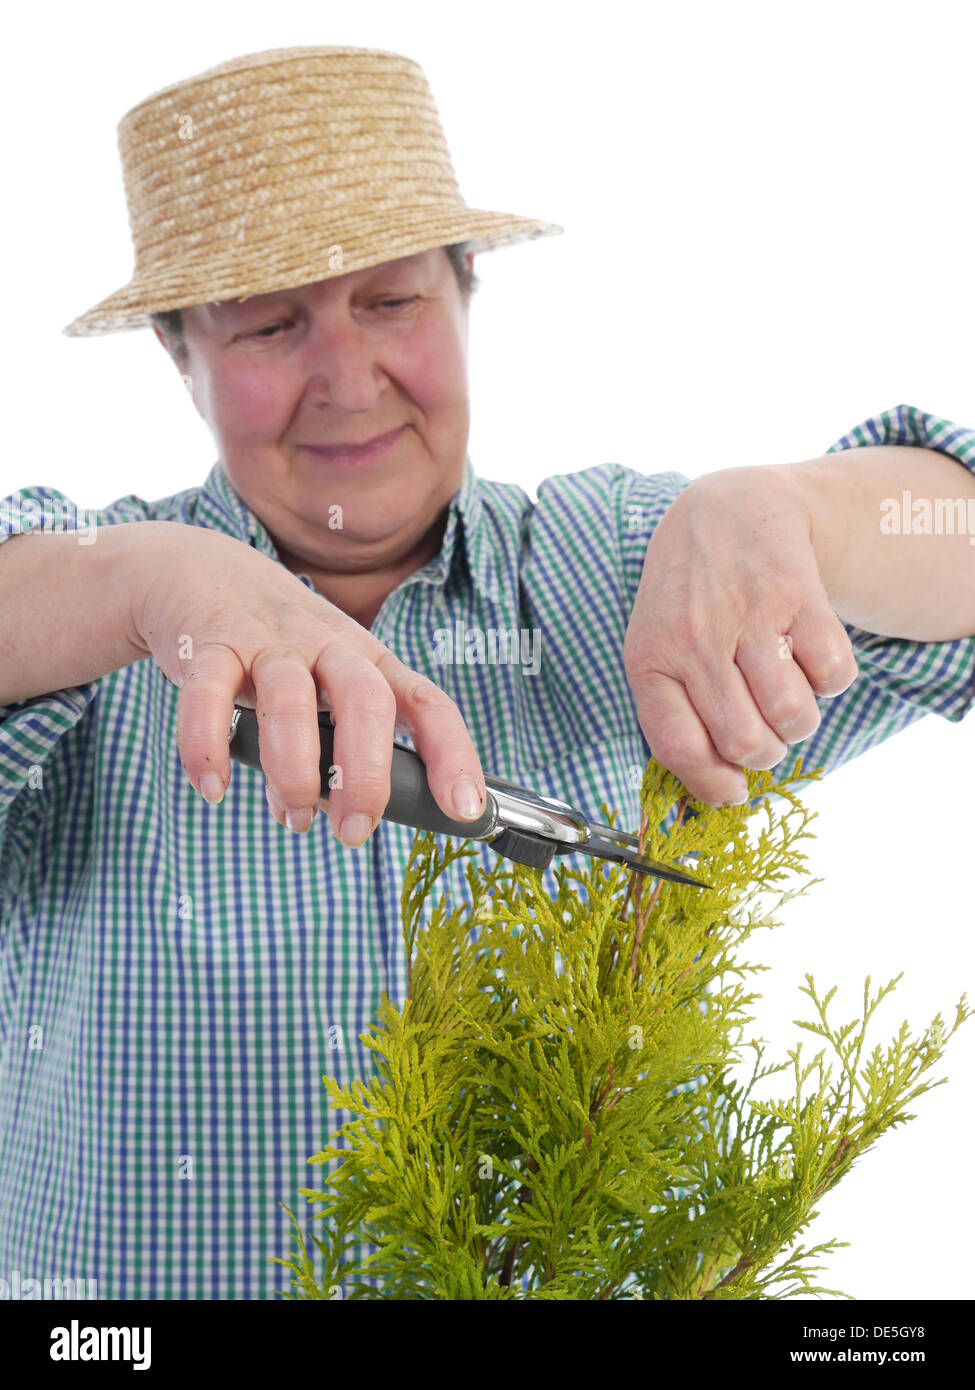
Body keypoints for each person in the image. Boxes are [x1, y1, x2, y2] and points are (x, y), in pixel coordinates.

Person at [0, 45, 972, 1302]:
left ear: (467, 292)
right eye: (268, 323)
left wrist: (798, 514)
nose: (347, 380)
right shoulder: (83, 608)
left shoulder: (617, 564)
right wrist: (145, 580)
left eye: (392, 301)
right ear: (176, 352)